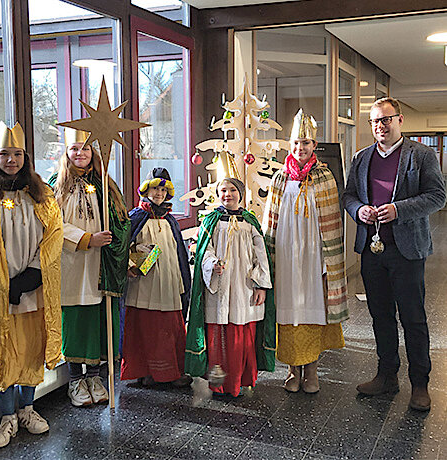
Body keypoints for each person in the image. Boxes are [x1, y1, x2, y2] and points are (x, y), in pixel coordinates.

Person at [342, 97, 446, 411]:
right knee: (381, 316)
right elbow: (348, 195)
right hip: (372, 251)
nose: (380, 126)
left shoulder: (422, 155)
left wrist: (398, 210)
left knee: (413, 319)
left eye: (386, 119)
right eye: (375, 121)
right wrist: (359, 210)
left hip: (408, 250)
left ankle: (420, 383)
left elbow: (437, 197)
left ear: (399, 120)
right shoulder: (361, 157)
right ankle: (387, 375)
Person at [0, 121, 63, 448]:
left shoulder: (41, 193)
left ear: (25, 156)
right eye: (5, 154)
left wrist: (33, 273)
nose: (11, 160)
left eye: (17, 153)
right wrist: (2, 283)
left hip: (32, 288)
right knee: (4, 352)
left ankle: (28, 409)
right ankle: (7, 417)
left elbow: (53, 236)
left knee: (30, 350)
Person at [263, 109, 348, 394]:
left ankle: (311, 369)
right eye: (297, 142)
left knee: (312, 309)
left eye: (307, 143)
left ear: (314, 146)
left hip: (313, 255)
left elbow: (333, 222)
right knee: (288, 310)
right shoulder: (278, 178)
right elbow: (270, 221)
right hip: (286, 255)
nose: (301, 148)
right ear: (290, 144)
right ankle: (291, 369)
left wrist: (328, 260)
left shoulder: (325, 177)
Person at [49, 128, 130, 406]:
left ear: (93, 152)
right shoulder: (56, 185)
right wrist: (86, 239)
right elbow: (52, 225)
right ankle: (75, 380)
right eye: (74, 149)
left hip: (100, 265)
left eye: (85, 148)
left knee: (98, 318)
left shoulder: (106, 184)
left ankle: (95, 377)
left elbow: (122, 220)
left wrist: (112, 239)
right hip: (71, 262)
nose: (80, 154)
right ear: (66, 152)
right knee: (75, 320)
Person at [185, 178, 276, 397]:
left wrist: (262, 285)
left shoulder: (250, 221)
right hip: (221, 287)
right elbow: (203, 252)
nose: (228, 194)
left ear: (241, 194)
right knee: (220, 334)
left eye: (232, 190)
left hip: (245, 286)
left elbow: (261, 255)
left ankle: (242, 379)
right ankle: (219, 382)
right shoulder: (211, 221)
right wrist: (211, 265)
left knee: (243, 333)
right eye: (223, 190)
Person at [121, 168, 192, 387]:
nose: (159, 193)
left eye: (163, 189)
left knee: (168, 328)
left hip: (168, 283)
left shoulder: (170, 220)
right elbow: (123, 247)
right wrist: (129, 266)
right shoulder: (135, 217)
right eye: (155, 189)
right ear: (146, 190)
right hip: (143, 284)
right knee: (144, 326)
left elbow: (179, 253)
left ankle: (170, 373)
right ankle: (143, 370)